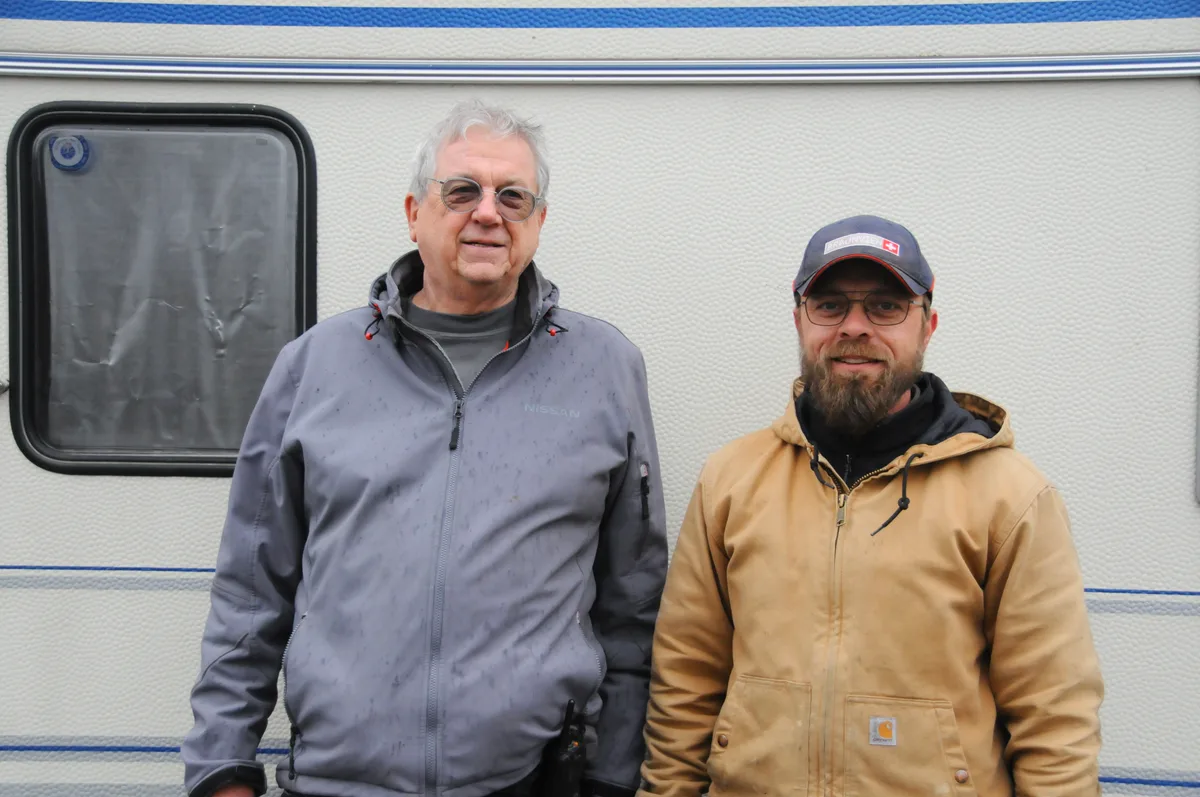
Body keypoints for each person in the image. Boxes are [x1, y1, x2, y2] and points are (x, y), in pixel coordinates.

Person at [182, 100, 668, 797]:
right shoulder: (314, 366)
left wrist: (615, 775)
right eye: (462, 190)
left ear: (538, 221)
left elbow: (633, 604)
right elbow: (250, 591)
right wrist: (221, 765)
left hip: (529, 781)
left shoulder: (604, 368)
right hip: (336, 783)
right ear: (415, 212)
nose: (488, 213)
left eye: (513, 196)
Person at [637, 214, 1104, 796]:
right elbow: (686, 681)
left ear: (928, 325)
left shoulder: (1009, 494)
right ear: (799, 321)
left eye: (885, 307)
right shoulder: (731, 480)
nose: (854, 327)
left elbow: (1054, 714)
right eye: (829, 306)